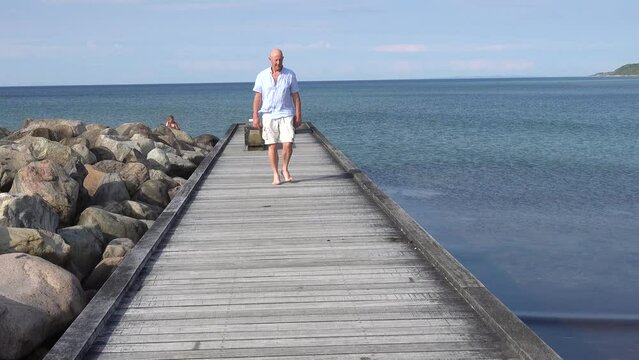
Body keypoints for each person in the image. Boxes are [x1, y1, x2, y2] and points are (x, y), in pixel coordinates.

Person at [252, 48, 302, 185]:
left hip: (286, 113)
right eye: (275, 59)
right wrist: (255, 116)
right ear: (270, 59)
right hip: (268, 114)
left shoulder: (290, 75)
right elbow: (258, 97)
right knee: (272, 145)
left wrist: (298, 114)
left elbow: (296, 97)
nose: (278, 62)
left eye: (280, 59)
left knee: (288, 143)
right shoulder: (262, 75)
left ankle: (285, 169)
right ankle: (275, 174)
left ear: (283, 59)